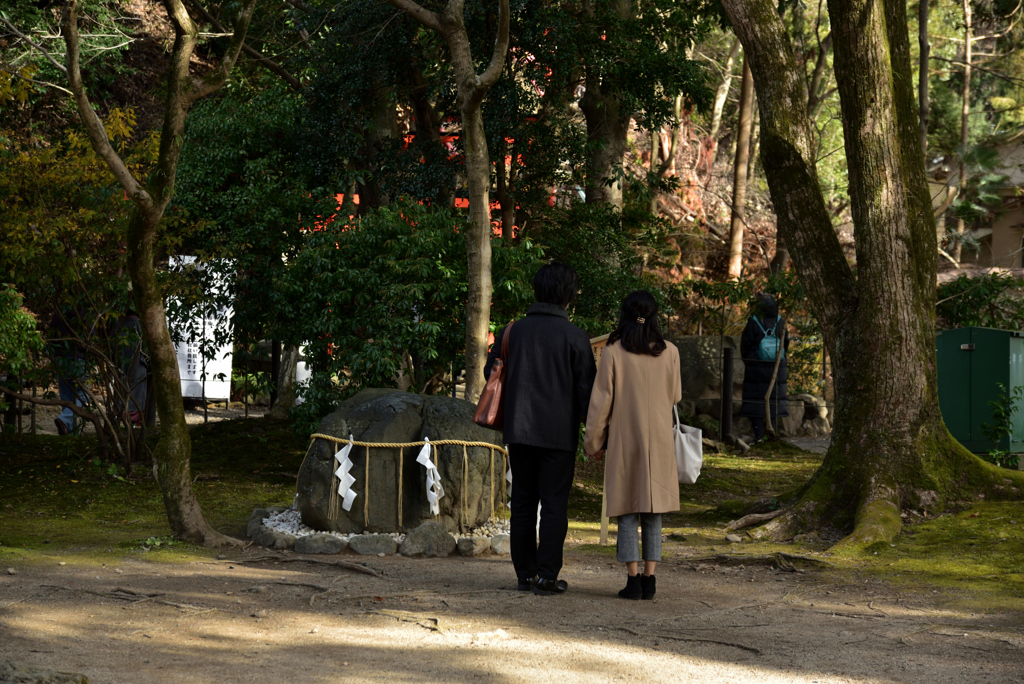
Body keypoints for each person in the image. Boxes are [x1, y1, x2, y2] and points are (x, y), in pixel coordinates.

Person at [484, 262, 596, 596]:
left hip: (519, 429)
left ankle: (524, 575)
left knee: (522, 502)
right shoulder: (575, 337)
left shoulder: (512, 331)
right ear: (568, 295)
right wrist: (595, 433)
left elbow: (491, 372)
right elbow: (587, 392)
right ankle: (548, 575)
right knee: (554, 504)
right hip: (559, 435)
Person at [585, 291, 681, 600]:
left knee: (626, 508)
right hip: (661, 440)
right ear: (655, 315)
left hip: (626, 438)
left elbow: (601, 403)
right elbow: (676, 395)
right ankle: (651, 577)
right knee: (653, 510)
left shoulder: (613, 352)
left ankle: (632, 580)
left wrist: (593, 443)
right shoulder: (671, 352)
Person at [739, 293, 789, 441]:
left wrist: (749, 360)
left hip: (756, 366)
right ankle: (771, 430)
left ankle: (759, 433)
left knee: (756, 399)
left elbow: (745, 344)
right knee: (774, 398)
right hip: (777, 367)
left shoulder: (754, 321)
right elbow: (785, 343)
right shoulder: (780, 321)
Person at [49, 310, 89, 436]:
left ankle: (69, 431)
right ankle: (65, 420)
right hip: (79, 358)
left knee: (66, 395)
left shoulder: (59, 312)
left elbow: (51, 334)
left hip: (61, 358)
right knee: (83, 394)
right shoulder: (84, 313)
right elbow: (91, 335)